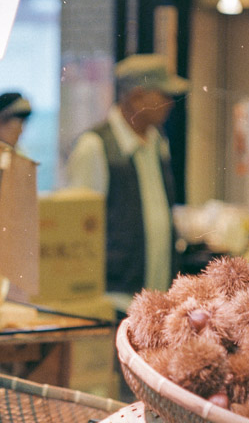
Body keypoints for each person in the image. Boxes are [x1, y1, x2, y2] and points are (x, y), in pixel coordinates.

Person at [64, 54, 185, 307]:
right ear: (137, 96)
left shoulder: (158, 141)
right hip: (115, 299)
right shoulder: (95, 146)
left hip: (157, 299)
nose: (170, 103)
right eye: (163, 95)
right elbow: (79, 232)